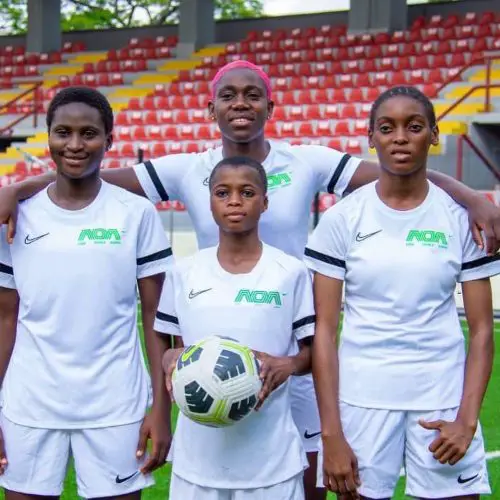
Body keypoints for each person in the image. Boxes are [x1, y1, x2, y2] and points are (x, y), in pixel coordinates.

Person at [0, 62, 499, 500]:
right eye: (228, 95)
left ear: (270, 107)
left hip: (298, 349)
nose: (240, 103)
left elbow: (397, 168)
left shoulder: (308, 160)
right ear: (211, 109)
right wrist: (18, 188)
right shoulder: (188, 168)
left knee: (306, 480)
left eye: (252, 95)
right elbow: (91, 175)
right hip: (219, 349)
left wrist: (470, 196)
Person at [305, 86, 499, 500]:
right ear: (371, 137)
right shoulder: (342, 220)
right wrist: (332, 434)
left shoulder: (460, 219)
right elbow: (324, 332)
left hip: (442, 399)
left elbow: (482, 331)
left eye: (413, 127)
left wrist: (466, 420)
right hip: (363, 400)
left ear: (433, 134)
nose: (399, 138)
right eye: (386, 128)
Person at [0, 87, 173, 500]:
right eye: (63, 132)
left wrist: (161, 409)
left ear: (109, 140)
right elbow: (5, 318)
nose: (75, 144)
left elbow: (156, 318)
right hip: (30, 403)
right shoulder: (16, 216)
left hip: (115, 404)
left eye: (89, 133)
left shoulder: (136, 213)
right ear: (48, 137)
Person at [156, 155, 315, 500]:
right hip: (197, 463)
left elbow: (314, 353)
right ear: (209, 202)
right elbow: (174, 348)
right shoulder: (183, 273)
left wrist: (289, 364)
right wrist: (170, 358)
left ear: (265, 202)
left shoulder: (291, 272)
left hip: (271, 462)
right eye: (222, 193)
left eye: (247, 192)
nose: (234, 201)